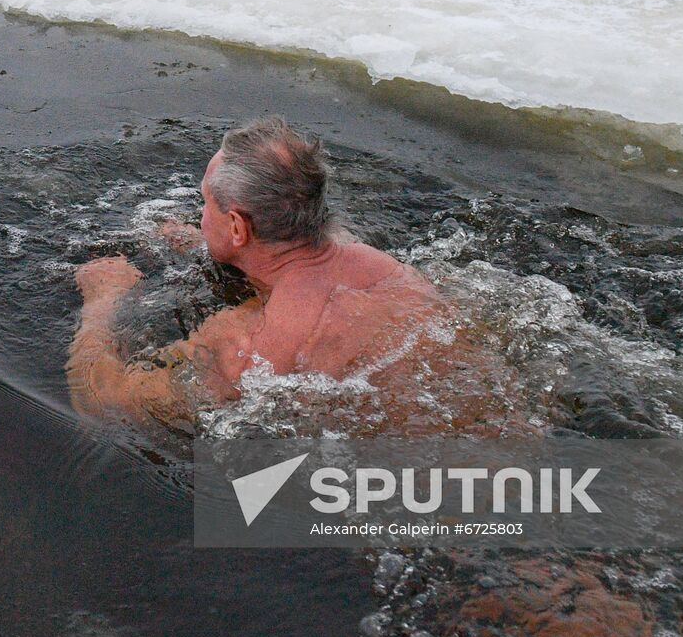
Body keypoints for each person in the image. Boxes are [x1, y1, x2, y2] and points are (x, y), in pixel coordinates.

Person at [66, 116, 453, 430]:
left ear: (238, 227)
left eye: (205, 205)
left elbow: (102, 399)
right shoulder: (380, 266)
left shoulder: (247, 345)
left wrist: (103, 300)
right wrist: (214, 244)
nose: (200, 218)